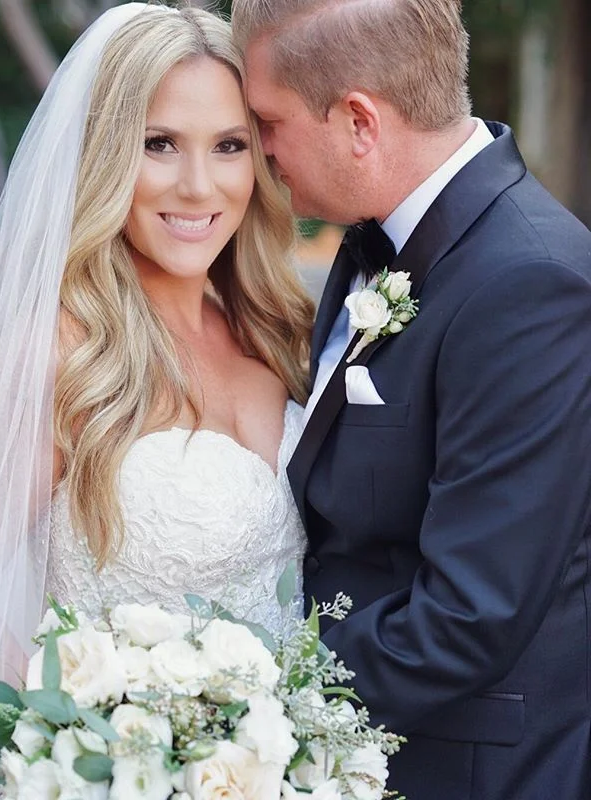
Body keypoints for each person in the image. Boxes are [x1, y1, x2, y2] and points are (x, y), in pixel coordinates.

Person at [232, 1, 591, 798]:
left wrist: (236, 705)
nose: (262, 149)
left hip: (466, 771)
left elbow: (470, 614)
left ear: (359, 121)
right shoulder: (377, 238)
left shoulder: (530, 284)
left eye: (269, 122)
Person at [0, 3, 314, 792]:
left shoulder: (279, 332)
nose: (198, 185)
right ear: (106, 153)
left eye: (229, 145)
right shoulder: (57, 352)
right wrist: (74, 744)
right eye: (159, 144)